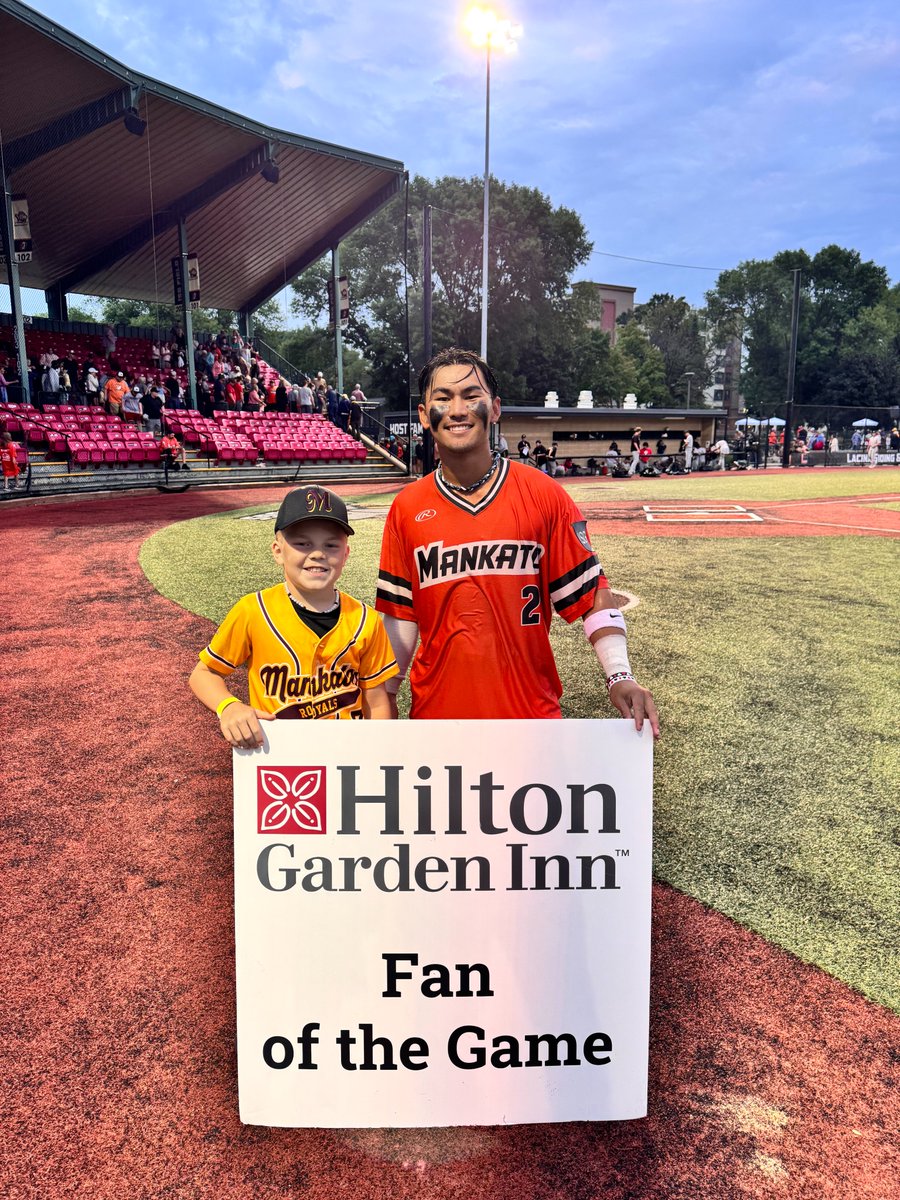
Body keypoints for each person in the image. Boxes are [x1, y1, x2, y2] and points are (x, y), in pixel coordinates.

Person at [375, 347, 659, 733]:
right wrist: (384, 693)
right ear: (425, 416)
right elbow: (399, 616)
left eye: (471, 395)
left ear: (494, 408)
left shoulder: (544, 494)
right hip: (436, 724)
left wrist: (619, 675)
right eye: (443, 398)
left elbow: (591, 593)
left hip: (531, 719)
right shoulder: (407, 508)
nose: (458, 409)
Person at [189, 486, 398, 748]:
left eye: (331, 545)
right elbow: (203, 673)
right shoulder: (253, 610)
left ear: (345, 554)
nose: (318, 553)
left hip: (348, 754)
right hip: (279, 757)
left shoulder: (365, 619)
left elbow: (376, 702)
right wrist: (228, 706)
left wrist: (379, 753)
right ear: (278, 551)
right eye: (302, 543)